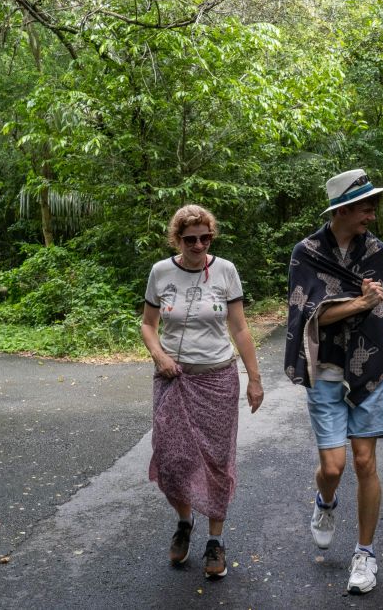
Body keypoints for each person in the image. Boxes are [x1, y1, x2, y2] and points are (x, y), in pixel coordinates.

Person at [284, 169, 383, 595]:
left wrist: (372, 307)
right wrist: (361, 301)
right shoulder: (306, 252)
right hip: (326, 371)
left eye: (372, 206)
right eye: (365, 207)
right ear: (341, 209)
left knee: (364, 463)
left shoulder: (376, 251)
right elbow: (309, 316)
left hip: (369, 371)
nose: (372, 215)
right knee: (332, 467)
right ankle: (325, 501)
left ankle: (365, 552)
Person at [141, 204, 264, 580]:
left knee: (216, 460)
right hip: (173, 379)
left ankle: (215, 540)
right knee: (172, 457)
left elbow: (240, 328)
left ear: (212, 236)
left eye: (205, 237)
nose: (198, 244)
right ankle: (184, 521)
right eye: (190, 238)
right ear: (177, 238)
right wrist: (159, 355)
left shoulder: (225, 271)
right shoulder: (161, 272)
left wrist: (254, 378)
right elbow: (148, 325)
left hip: (217, 379)